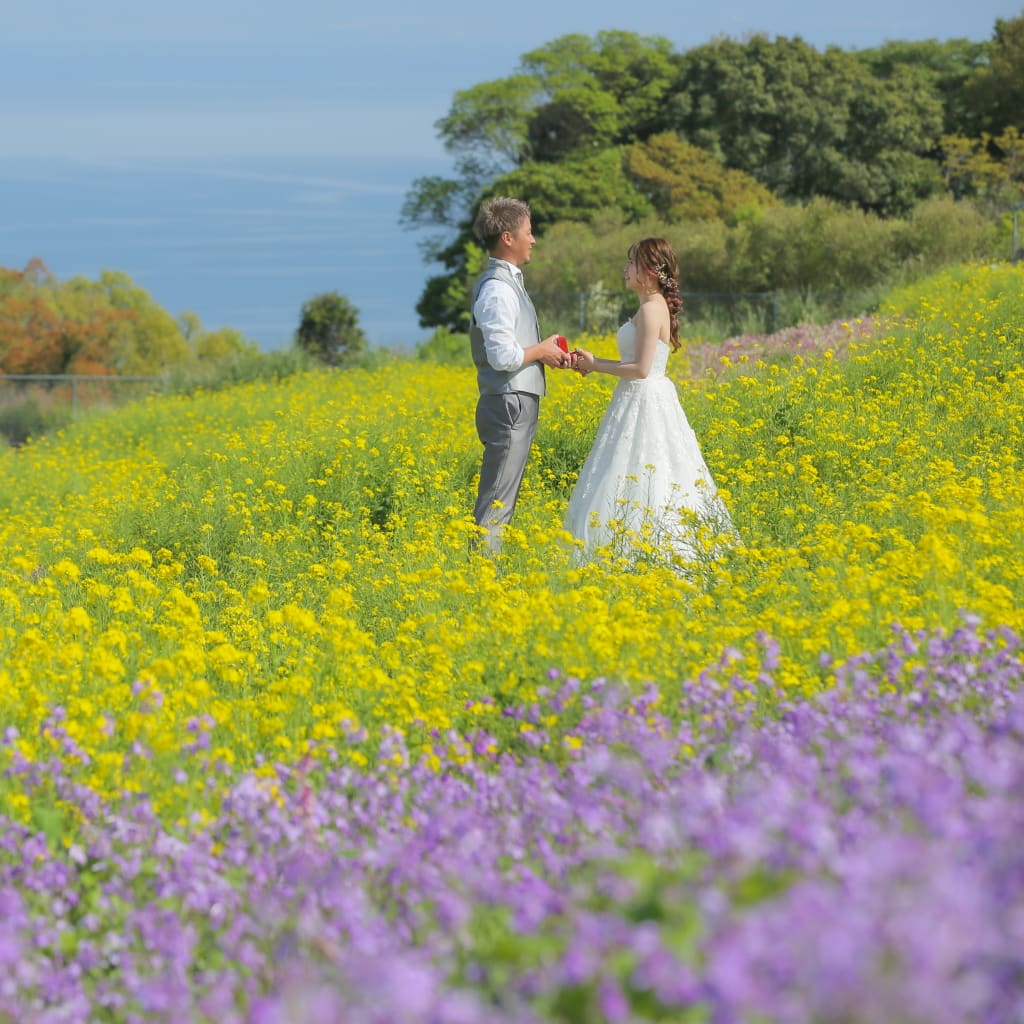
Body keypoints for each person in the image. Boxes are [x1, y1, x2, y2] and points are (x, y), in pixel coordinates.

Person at [565, 237, 733, 562]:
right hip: (637, 399)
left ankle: (645, 554)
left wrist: (594, 364)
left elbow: (641, 369)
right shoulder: (650, 306)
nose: (625, 269)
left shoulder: (651, 307)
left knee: (643, 473)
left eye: (631, 263)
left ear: (650, 271)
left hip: (644, 399)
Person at [469, 197, 570, 552]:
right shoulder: (497, 288)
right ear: (508, 237)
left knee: (502, 498)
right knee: (497, 499)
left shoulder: (508, 283)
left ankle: (484, 573)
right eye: (529, 232)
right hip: (508, 403)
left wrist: (545, 352)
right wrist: (540, 350)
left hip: (513, 400)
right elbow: (501, 357)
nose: (534, 239)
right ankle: (481, 576)